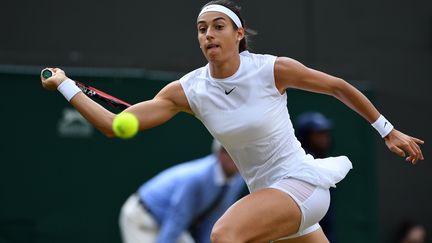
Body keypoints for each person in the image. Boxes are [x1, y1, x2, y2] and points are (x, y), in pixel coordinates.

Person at [40, 0, 424, 242]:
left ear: (239, 34)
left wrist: (387, 130)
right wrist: (65, 85)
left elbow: (339, 87)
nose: (208, 35)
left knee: (224, 234)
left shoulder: (273, 70)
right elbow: (114, 125)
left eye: (218, 27)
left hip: (302, 186)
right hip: (272, 201)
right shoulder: (187, 91)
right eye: (202, 29)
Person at [119, 139, 244, 243]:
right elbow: (177, 219)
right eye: (232, 152)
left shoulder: (238, 181)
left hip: (170, 223)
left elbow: (213, 222)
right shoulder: (197, 178)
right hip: (141, 218)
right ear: (220, 153)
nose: (239, 158)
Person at [294, 112, 336, 242]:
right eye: (318, 134)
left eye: (325, 133)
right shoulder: (301, 164)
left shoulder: (325, 164)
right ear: (306, 136)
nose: (324, 138)